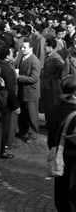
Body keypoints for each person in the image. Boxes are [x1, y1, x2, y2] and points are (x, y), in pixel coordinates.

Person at [46, 75, 76, 212]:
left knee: (62, 195)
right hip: (73, 160)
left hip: (60, 157)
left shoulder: (52, 109)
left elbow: (51, 139)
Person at [15, 39, 41, 143]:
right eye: (22, 47)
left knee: (32, 114)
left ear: (31, 48)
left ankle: (32, 134)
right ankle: (23, 131)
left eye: (25, 47)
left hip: (31, 92)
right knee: (23, 114)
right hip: (23, 90)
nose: (22, 49)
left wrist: (18, 77)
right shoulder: (22, 57)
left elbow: (34, 78)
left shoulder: (34, 61)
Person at [0, 47, 19, 159]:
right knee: (5, 128)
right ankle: (1, 150)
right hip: (6, 103)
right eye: (11, 54)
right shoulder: (8, 69)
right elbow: (10, 90)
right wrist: (16, 106)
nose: (13, 56)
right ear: (7, 55)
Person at [40, 39, 64, 116]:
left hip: (52, 86)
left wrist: (56, 76)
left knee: (52, 104)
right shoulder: (49, 56)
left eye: (45, 46)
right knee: (48, 104)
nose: (44, 48)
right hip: (47, 84)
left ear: (50, 47)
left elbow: (62, 66)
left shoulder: (55, 57)